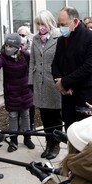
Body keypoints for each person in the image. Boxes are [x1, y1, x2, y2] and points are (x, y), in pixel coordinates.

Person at [52, 6, 92, 129]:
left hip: (86, 96)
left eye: (63, 24)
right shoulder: (61, 40)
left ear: (75, 21)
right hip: (68, 96)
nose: (61, 28)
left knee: (88, 139)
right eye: (59, 24)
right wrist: (60, 85)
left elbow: (89, 67)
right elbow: (55, 63)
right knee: (71, 135)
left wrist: (64, 82)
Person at [28, 10, 62, 160]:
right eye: (38, 24)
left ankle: (56, 144)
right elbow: (32, 62)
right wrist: (30, 81)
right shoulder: (35, 39)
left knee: (55, 117)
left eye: (42, 23)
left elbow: (63, 61)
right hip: (39, 83)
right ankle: (48, 142)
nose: (40, 27)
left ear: (50, 23)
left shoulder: (59, 37)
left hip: (53, 83)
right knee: (44, 116)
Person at [17, 26, 35, 131]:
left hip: (29, 79)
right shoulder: (13, 47)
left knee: (30, 103)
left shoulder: (32, 48)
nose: (21, 37)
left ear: (28, 36)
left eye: (23, 35)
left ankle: (31, 124)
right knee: (17, 103)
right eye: (19, 35)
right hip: (17, 80)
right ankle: (18, 125)